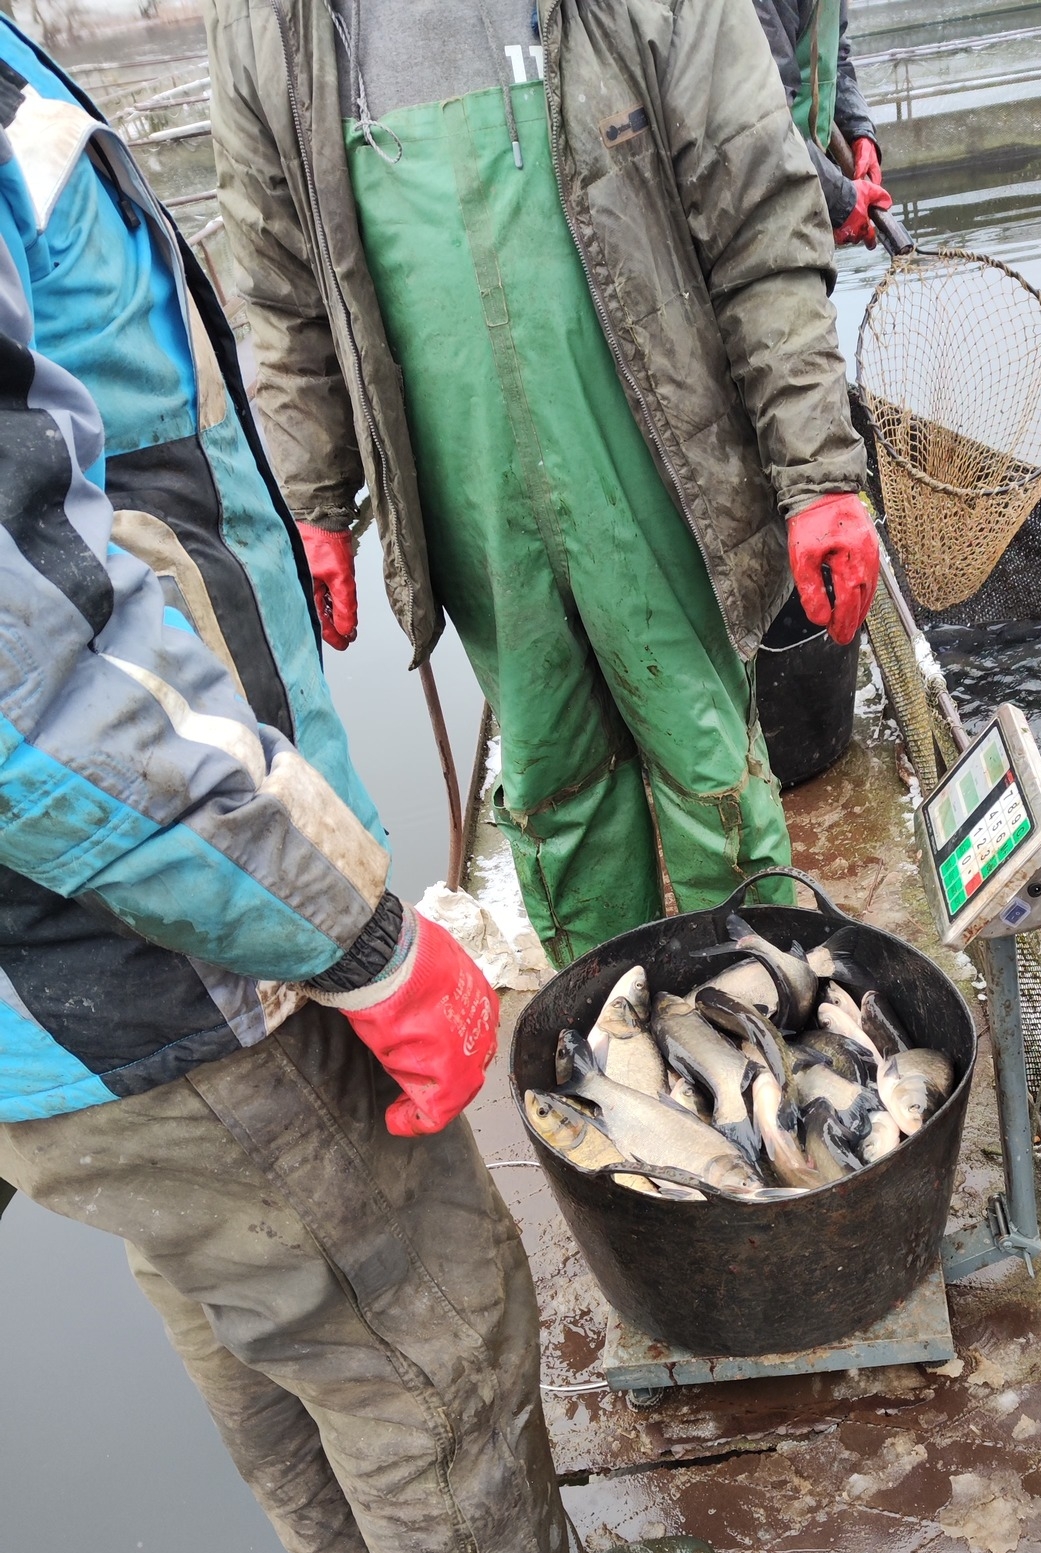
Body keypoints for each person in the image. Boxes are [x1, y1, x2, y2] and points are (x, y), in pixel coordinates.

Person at [0, 21, 722, 1553]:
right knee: (418, 1291)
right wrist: (362, 943)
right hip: (143, 938)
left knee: (243, 1286)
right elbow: (31, 699)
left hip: (80, 994)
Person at [206, 0, 882, 969]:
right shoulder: (266, 24)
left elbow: (758, 208)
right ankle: (611, 1041)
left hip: (656, 454)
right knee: (553, 787)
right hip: (462, 484)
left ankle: (760, 1014)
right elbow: (278, 282)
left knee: (708, 765)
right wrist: (315, 502)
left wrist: (819, 472)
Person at [751, 0, 892, 249]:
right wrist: (842, 200)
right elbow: (765, 121)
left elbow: (835, 59)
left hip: (808, 183)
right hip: (762, 203)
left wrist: (859, 129)